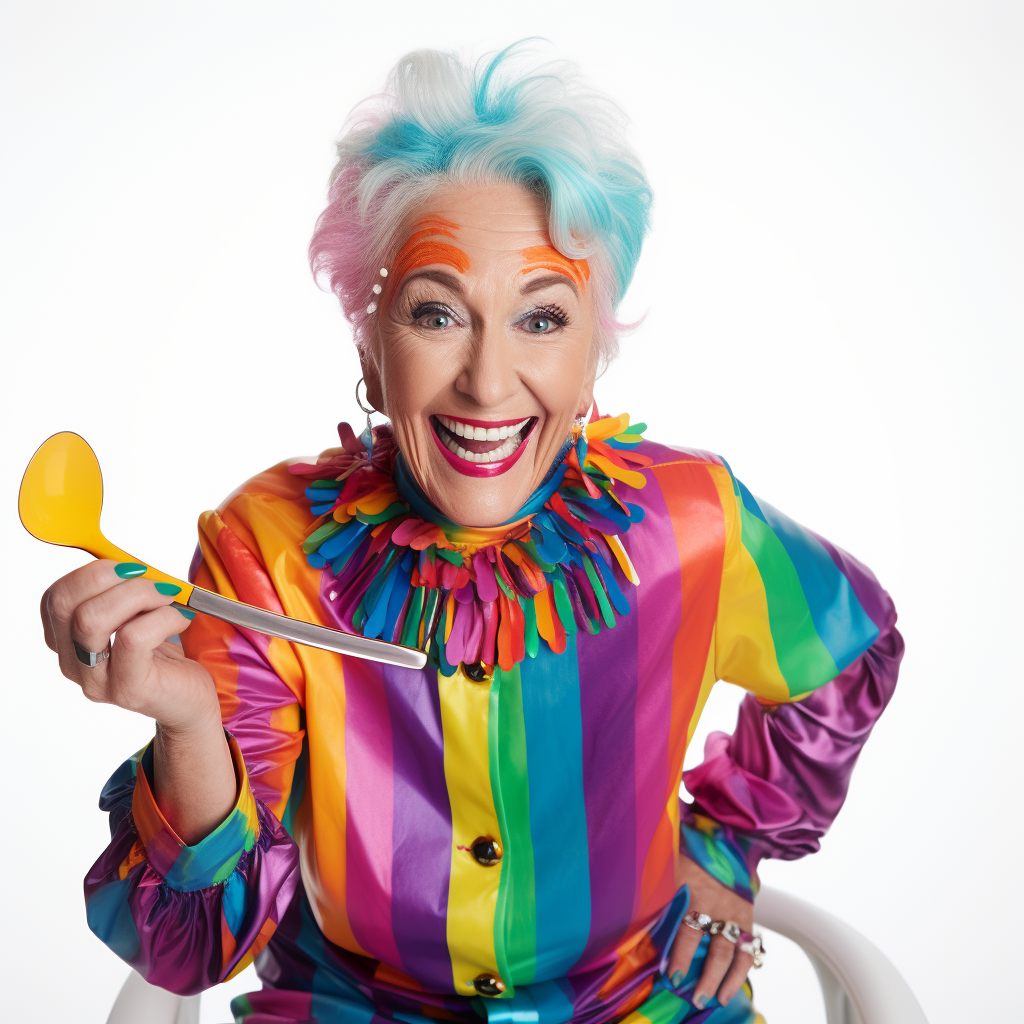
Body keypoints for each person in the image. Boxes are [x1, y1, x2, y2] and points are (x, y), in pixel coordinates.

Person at [40, 44, 903, 1024]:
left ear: (592, 359)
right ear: (371, 351)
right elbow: (189, 946)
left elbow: (850, 645)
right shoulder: (265, 551)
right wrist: (188, 719)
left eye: (541, 319)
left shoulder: (690, 520)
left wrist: (725, 844)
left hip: (641, 1002)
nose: (487, 385)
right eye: (437, 312)